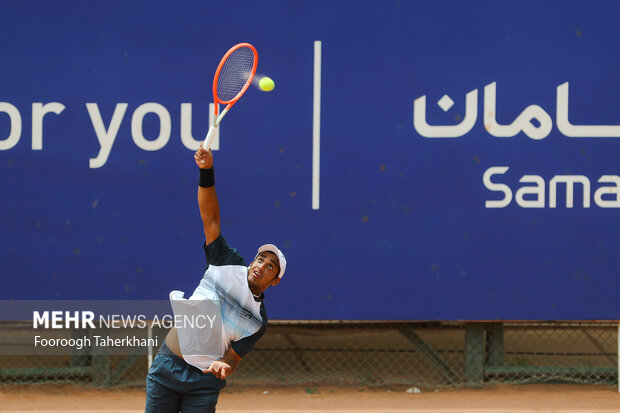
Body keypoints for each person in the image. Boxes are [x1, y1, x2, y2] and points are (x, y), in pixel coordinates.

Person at [145, 147, 287, 412]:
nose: (262, 266)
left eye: (271, 266)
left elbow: (233, 358)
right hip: (167, 367)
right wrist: (206, 171)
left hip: (204, 383)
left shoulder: (258, 320)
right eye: (260, 259)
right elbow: (209, 217)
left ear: (275, 281)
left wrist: (225, 365)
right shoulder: (227, 260)